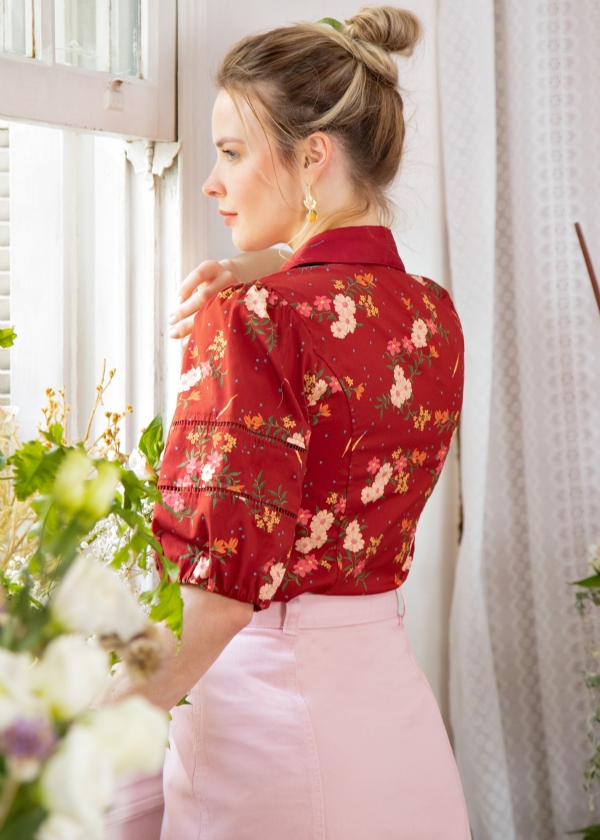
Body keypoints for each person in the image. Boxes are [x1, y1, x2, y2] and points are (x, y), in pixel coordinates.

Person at [103, 7, 470, 839]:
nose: (211, 182)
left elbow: (217, 606)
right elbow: (348, 272)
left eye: (232, 152)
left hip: (270, 743)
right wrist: (264, 260)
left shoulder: (255, 319)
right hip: (400, 738)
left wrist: (66, 746)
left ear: (313, 158)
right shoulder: (430, 312)